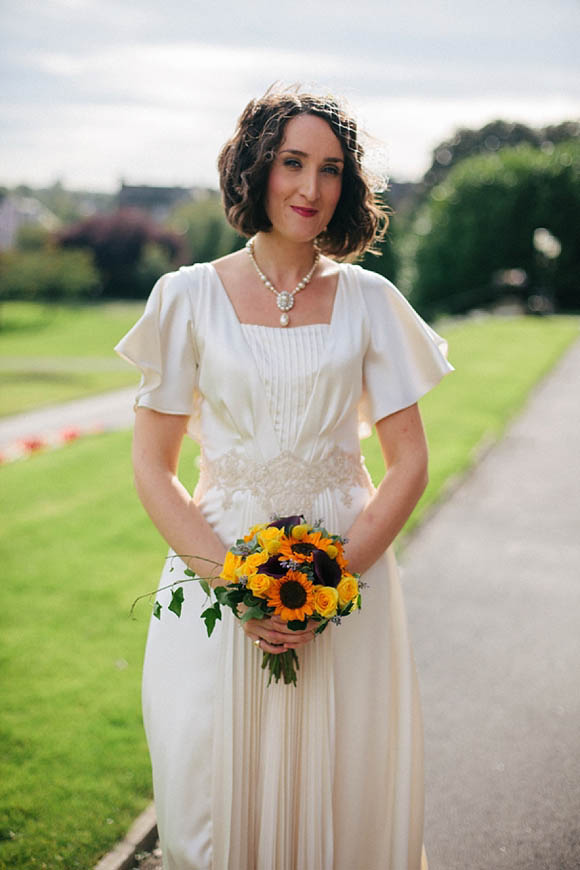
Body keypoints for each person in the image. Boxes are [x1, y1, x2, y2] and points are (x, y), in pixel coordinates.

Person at [115, 87, 453, 870]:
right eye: (293, 163)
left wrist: (330, 580)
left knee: (345, 790)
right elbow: (152, 466)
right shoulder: (186, 296)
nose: (311, 188)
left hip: (348, 588)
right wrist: (235, 585)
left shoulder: (370, 301)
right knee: (210, 792)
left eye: (330, 170)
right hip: (215, 577)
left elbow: (410, 464)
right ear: (257, 167)